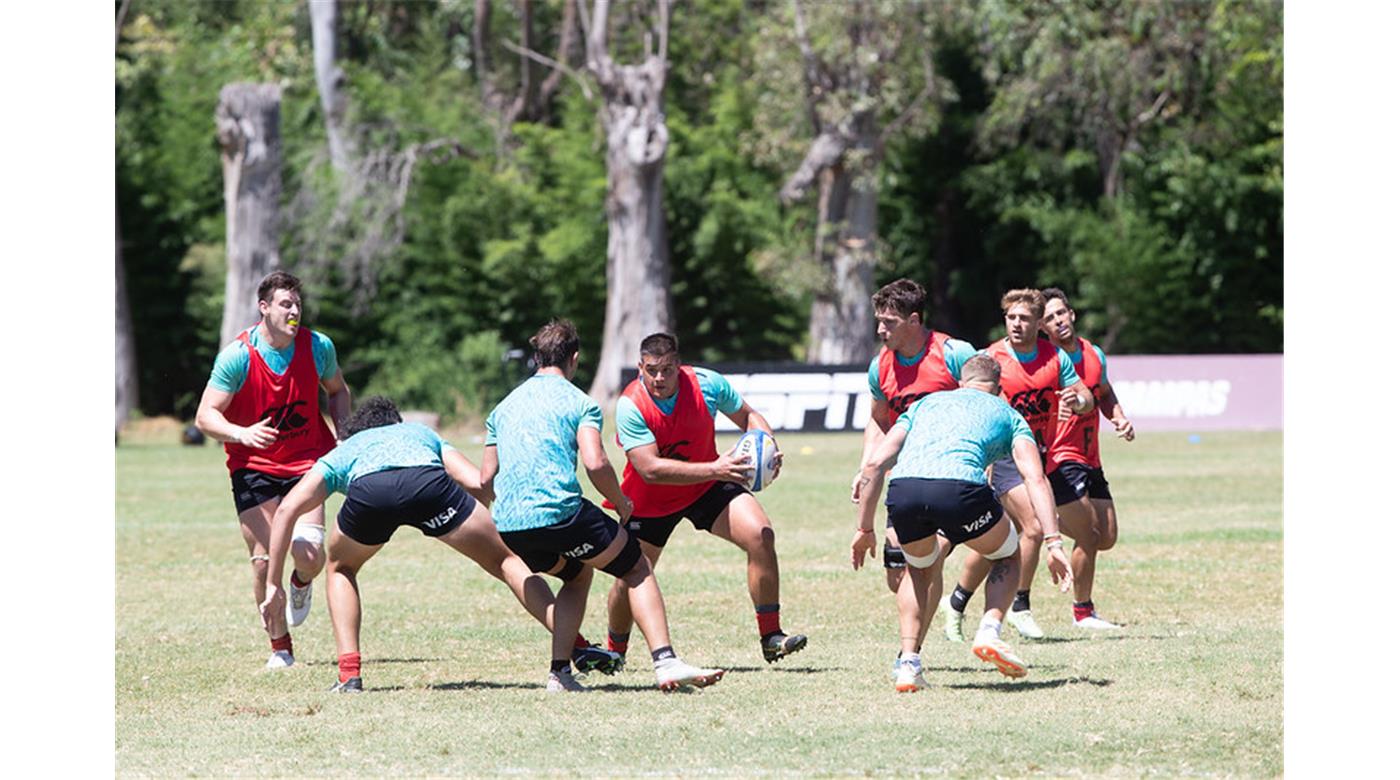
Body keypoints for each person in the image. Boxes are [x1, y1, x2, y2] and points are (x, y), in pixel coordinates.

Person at [259, 396, 571, 692]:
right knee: (506, 561)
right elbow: (477, 481)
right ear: (397, 422)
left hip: (371, 494)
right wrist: (483, 529)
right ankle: (576, 644)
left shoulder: (345, 449)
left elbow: (287, 510)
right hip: (429, 485)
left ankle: (349, 675)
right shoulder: (420, 432)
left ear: (356, 430)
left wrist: (274, 585)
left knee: (342, 568)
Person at [482, 319, 724, 692]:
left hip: (512, 526)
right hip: (560, 512)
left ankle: (560, 673)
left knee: (577, 575)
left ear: (535, 358)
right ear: (575, 359)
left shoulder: (502, 408)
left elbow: (486, 478)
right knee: (636, 568)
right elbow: (596, 462)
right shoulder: (580, 402)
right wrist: (623, 501)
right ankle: (666, 661)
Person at [851, 354, 1073, 691]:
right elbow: (1035, 478)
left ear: (960, 383)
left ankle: (908, 664)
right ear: (999, 390)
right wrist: (1053, 542)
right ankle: (989, 631)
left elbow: (874, 465)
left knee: (919, 568)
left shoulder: (925, 404)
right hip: (961, 490)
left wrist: (863, 529)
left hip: (905, 490)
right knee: (1007, 553)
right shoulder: (1008, 414)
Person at [602, 332, 807, 666]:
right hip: (651, 500)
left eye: (667, 369)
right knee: (631, 576)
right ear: (640, 367)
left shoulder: (707, 383)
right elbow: (650, 469)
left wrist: (766, 445)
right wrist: (715, 469)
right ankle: (613, 653)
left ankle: (771, 637)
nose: (659, 378)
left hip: (707, 486)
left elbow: (748, 416)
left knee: (761, 535)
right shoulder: (630, 405)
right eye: (651, 369)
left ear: (678, 366)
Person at [195, 271, 350, 669]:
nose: (294, 310)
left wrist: (345, 435)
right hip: (254, 466)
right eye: (286, 304)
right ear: (264, 308)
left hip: (308, 461)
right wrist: (241, 433)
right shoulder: (238, 356)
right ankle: (280, 647)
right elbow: (205, 417)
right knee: (263, 559)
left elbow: (338, 391)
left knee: (311, 555)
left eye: (297, 304)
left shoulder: (318, 347)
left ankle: (301, 581)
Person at [939, 288, 1095, 642]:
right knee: (1035, 527)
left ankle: (957, 600)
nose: (1017, 324)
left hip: (1038, 453)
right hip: (1003, 455)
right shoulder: (991, 358)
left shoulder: (1054, 357)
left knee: (999, 537)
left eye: (1025, 318)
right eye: (1011, 317)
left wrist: (1079, 400)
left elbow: (1085, 395)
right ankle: (1019, 605)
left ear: (1039, 323)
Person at [849, 279, 979, 661]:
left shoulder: (954, 354)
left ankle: (911, 653)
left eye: (888, 322)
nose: (880, 330)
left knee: (922, 564)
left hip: (954, 474)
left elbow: (986, 407)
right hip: (907, 478)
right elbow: (878, 420)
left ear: (914, 320)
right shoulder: (880, 366)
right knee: (898, 574)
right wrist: (866, 467)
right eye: (879, 321)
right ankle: (916, 644)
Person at [1039, 287, 1136, 629]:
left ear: (1072, 314)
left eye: (1060, 314)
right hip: (1060, 456)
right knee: (1089, 534)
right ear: (1042, 327)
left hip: (1091, 456)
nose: (1057, 321)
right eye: (1049, 318)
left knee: (1106, 536)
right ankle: (1083, 612)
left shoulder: (1093, 353)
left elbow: (1104, 393)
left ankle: (1038, 520)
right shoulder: (1044, 361)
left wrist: (1119, 417)